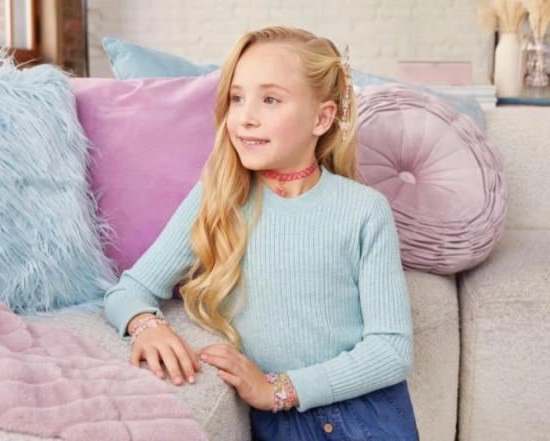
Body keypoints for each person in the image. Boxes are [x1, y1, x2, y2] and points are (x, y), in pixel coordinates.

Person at [104, 25, 419, 441]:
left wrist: (280, 390)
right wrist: (146, 325)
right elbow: (130, 289)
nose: (245, 117)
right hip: (281, 425)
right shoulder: (217, 198)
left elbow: (392, 350)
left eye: (270, 99)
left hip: (368, 416)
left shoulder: (364, 210)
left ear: (322, 118)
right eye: (237, 98)